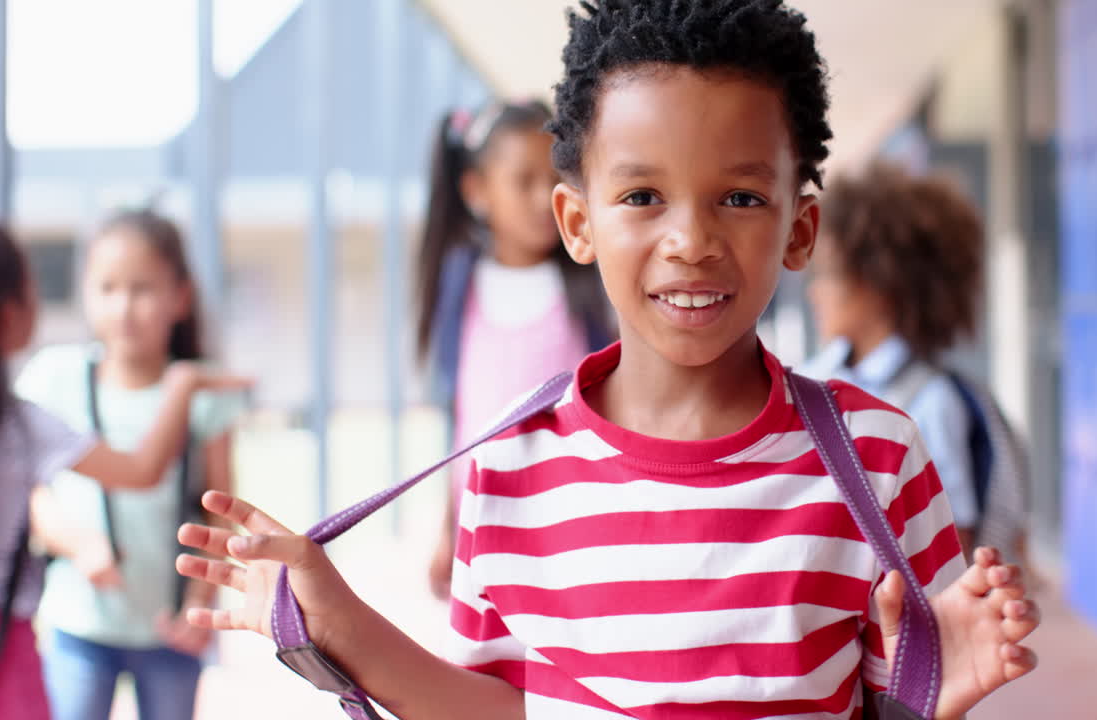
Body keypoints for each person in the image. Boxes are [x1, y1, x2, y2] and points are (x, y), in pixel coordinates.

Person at [176, 2, 1040, 718]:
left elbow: (895, 699)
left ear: (799, 228)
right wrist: (338, 621)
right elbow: (501, 709)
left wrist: (929, 694)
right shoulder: (508, 465)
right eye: (642, 196)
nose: (692, 240)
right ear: (578, 222)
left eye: (740, 197)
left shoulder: (878, 456)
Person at [0, 221, 247, 720]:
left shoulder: (22, 414)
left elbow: (221, 506)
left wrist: (202, 595)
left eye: (142, 289)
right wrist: (78, 542)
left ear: (180, 297)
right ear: (12, 316)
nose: (124, 306)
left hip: (168, 626)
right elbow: (44, 492)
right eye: (107, 288)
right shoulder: (51, 383)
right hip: (77, 624)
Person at [416, 98, 613, 599]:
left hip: (571, 525)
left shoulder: (591, 289)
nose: (542, 198)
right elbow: (461, 420)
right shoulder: (461, 286)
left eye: (553, 181)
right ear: (476, 191)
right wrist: (447, 527)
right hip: (483, 525)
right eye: (523, 181)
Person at [800, 163, 1001, 558]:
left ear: (879, 284)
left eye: (829, 274)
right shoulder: (810, 379)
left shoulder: (933, 401)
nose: (815, 292)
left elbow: (950, 549)